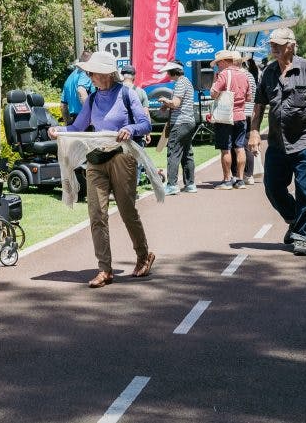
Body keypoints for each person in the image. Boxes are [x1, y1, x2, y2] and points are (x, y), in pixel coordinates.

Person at [48, 51, 155, 288]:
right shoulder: (93, 99)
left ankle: (143, 256)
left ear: (106, 74)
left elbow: (145, 123)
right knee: (97, 215)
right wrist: (58, 130)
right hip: (96, 159)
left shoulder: (127, 94)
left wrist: (130, 129)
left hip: (121, 157)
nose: (88, 77)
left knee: (127, 211)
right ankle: (104, 269)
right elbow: (77, 126)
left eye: (91, 73)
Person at [248, 27, 306, 257]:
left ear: (291, 45)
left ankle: (302, 236)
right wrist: (254, 132)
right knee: (273, 187)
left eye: (278, 43)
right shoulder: (268, 72)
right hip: (278, 142)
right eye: (272, 44)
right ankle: (294, 220)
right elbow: (259, 105)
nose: (273, 47)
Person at [210, 50, 250, 189]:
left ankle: (227, 180)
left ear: (224, 61)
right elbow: (249, 97)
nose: (217, 66)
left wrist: (216, 81)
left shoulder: (223, 74)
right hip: (241, 115)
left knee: (225, 149)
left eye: (218, 63)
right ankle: (240, 180)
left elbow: (213, 94)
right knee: (240, 148)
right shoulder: (244, 75)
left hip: (226, 117)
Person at [159, 60, 197, 195]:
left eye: (168, 72)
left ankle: (172, 185)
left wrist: (165, 101)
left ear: (172, 71)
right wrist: (167, 105)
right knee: (187, 153)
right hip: (189, 122)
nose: (167, 74)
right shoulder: (186, 81)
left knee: (173, 153)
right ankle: (190, 184)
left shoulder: (180, 83)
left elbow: (175, 103)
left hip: (180, 122)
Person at [60, 52, 94, 125]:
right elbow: (81, 91)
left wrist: (69, 124)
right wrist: (90, 116)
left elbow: (63, 105)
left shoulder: (69, 78)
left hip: (75, 120)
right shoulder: (85, 72)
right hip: (87, 119)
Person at [242, 58, 259, 185]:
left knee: (241, 145)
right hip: (250, 111)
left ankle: (244, 174)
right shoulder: (252, 76)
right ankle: (249, 175)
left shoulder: (240, 75)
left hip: (240, 112)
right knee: (248, 143)